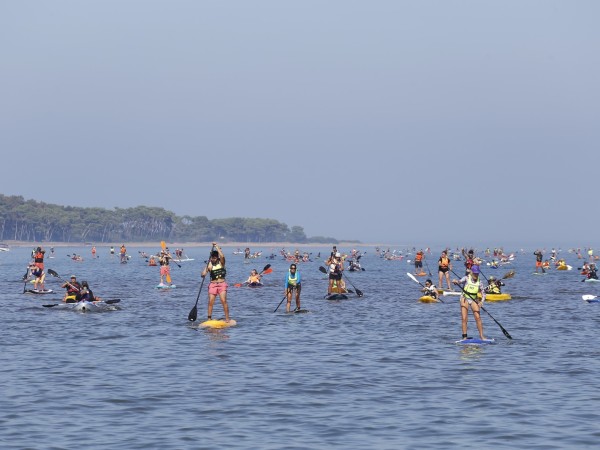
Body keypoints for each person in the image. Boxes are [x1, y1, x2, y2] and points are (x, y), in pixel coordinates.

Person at [452, 264, 487, 340]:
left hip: (474, 299)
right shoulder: (466, 278)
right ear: (471, 272)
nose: (476, 275)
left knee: (478, 317)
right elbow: (459, 281)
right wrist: (455, 281)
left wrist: (481, 302)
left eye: (477, 273)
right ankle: (464, 337)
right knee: (464, 318)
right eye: (475, 273)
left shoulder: (479, 282)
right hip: (465, 298)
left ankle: (482, 336)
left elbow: (483, 294)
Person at [201, 244, 230, 322]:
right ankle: (209, 318)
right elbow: (203, 274)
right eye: (212, 258)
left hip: (222, 284)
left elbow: (222, 256)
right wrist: (206, 269)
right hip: (213, 285)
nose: (213, 259)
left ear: (217, 258)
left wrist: (217, 247)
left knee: (223, 300)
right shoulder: (209, 264)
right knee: (211, 301)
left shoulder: (222, 263)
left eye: (214, 258)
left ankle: (227, 318)